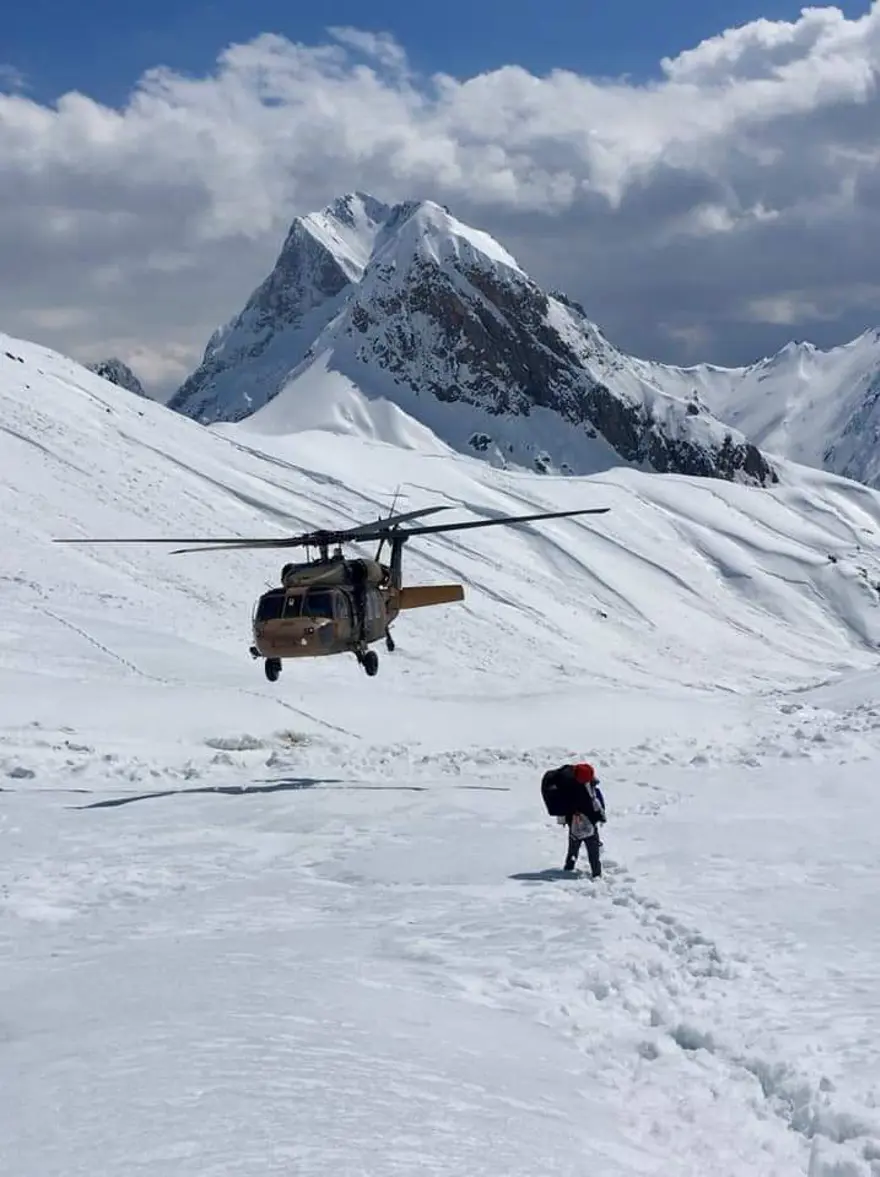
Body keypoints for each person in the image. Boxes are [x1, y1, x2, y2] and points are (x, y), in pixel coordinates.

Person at [552, 761, 606, 876]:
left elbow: (563, 807)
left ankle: (568, 868)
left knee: (573, 849)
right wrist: (600, 817)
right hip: (590, 825)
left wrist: (565, 819)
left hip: (573, 825)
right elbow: (599, 805)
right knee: (593, 852)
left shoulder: (567, 788)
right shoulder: (591, 790)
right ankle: (596, 873)